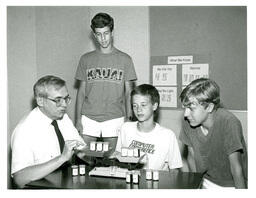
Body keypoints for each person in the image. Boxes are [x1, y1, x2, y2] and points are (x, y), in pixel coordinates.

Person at [75, 12, 137, 151]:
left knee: (112, 160)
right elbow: (81, 92)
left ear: (112, 32)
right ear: (94, 35)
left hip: (115, 117)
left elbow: (128, 93)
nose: (103, 38)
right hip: (89, 117)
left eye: (106, 33)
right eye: (98, 34)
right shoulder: (85, 59)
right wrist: (78, 120)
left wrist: (128, 118)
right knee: (83, 157)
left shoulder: (125, 59)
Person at [11, 75, 86, 188]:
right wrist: (61, 158)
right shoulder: (24, 130)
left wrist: (104, 156)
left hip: (65, 183)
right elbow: (19, 178)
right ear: (40, 101)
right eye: (58, 100)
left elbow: (80, 150)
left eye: (66, 99)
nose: (64, 105)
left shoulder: (63, 118)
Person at [179, 78, 247, 188]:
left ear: (209, 107)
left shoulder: (229, 122)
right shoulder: (189, 121)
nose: (186, 114)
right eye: (185, 108)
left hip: (230, 184)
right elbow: (191, 158)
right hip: (205, 181)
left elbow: (236, 169)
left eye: (191, 108)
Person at [115, 84, 182, 171]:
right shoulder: (125, 128)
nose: (138, 109)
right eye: (135, 105)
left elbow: (175, 170)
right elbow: (118, 160)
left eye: (143, 105)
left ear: (154, 106)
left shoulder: (168, 135)